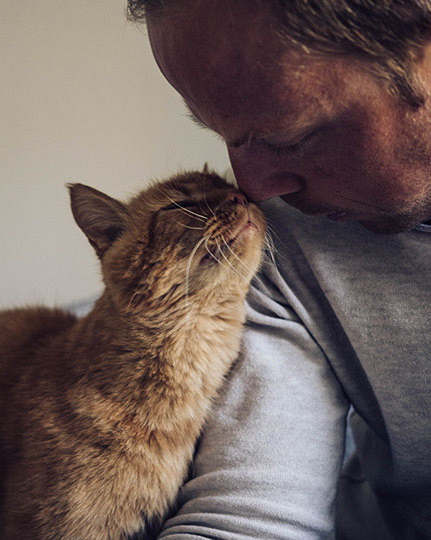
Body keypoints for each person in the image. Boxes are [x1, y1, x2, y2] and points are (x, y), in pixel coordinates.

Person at [129, 0, 431, 538]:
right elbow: (248, 516)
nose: (252, 189)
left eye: (291, 137)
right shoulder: (275, 241)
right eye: (222, 134)